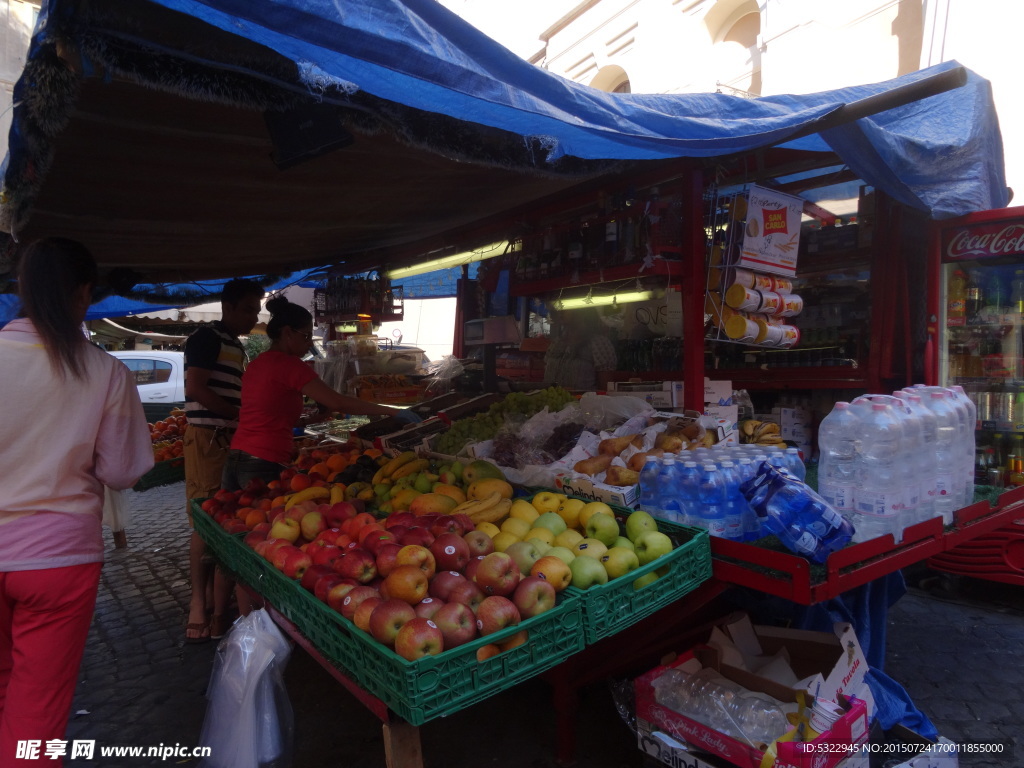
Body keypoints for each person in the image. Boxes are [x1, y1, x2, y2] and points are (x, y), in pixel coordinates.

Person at [0, 238, 153, 765]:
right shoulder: (105, 372)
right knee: (36, 715)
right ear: (84, 293)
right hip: (57, 562)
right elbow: (122, 471)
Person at [222, 296, 418, 491]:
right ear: (288, 333)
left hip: (236, 456)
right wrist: (391, 411)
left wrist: (312, 420)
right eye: (305, 336)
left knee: (235, 518)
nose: (309, 343)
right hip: (264, 460)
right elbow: (338, 402)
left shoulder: (257, 364)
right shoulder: (290, 365)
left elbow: (266, 417)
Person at [182, 278, 264, 643]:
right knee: (204, 518)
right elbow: (196, 388)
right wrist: (238, 415)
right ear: (227, 306)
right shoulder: (207, 338)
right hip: (207, 439)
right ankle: (197, 606)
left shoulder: (234, 344)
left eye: (257, 308)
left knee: (225, 515)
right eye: (248, 308)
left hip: (228, 438)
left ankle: (220, 604)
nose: (254, 315)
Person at [543, 307, 618, 390]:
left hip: (584, 401)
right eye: (561, 307)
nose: (561, 311)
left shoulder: (599, 343)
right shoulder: (556, 343)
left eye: (567, 307)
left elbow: (606, 388)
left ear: (582, 311)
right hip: (551, 401)